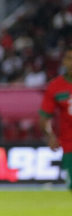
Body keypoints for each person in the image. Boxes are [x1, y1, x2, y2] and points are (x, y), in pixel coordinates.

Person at [41, 48, 72, 192]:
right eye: (69, 58)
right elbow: (44, 116)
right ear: (64, 61)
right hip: (69, 145)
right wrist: (50, 135)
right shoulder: (55, 87)